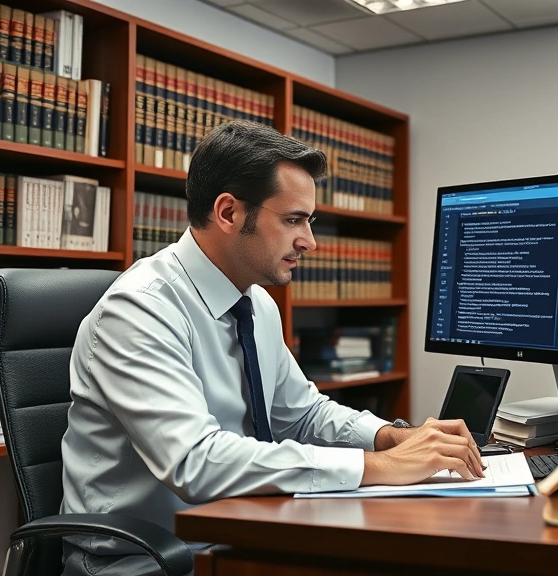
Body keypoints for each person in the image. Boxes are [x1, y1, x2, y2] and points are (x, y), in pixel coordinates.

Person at [60, 120, 483, 575]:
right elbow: (194, 462)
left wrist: (390, 436)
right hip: (144, 561)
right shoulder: (139, 311)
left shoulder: (256, 303)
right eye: (292, 220)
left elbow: (300, 414)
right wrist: (379, 465)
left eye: (309, 221)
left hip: (240, 534)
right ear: (229, 213)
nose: (310, 241)